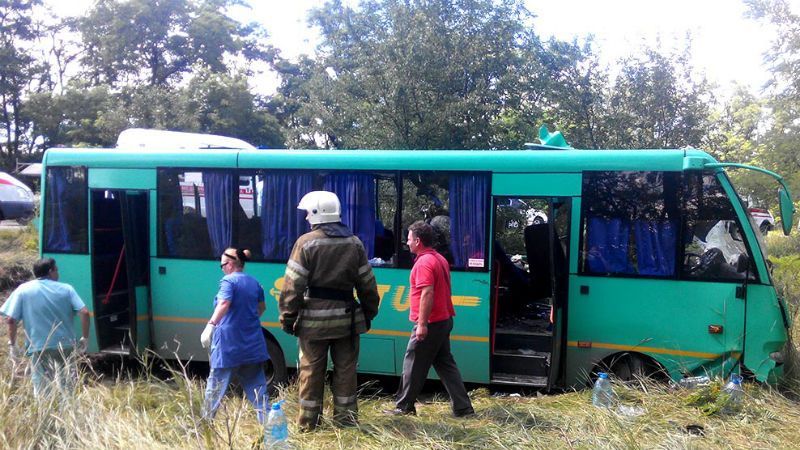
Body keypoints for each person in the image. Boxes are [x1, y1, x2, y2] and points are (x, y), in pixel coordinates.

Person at [279, 190, 380, 430]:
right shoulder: (354, 243)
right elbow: (367, 284)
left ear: (317, 213)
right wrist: (368, 313)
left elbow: (293, 286)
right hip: (346, 323)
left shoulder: (306, 243)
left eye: (307, 213)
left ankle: (307, 424)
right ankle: (346, 422)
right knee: (346, 372)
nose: (306, 218)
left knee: (311, 373)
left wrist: (287, 317)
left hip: (313, 324)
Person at [386, 221, 475, 417]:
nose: (406, 243)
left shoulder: (424, 263)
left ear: (418, 241)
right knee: (445, 364)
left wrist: (422, 324)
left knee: (413, 363)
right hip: (444, 320)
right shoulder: (439, 259)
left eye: (408, 239)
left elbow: (427, 293)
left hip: (431, 323)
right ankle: (463, 408)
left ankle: (404, 408)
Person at [1, 258, 89, 397]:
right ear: (50, 271)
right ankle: (66, 415)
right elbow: (84, 312)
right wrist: (84, 337)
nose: (58, 273)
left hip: (38, 347)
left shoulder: (23, 290)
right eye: (57, 270)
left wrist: (12, 344)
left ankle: (45, 415)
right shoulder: (66, 288)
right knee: (67, 386)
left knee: (42, 388)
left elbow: (11, 320)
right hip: (66, 345)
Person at [200, 247, 270, 423]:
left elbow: (224, 303)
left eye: (222, 265)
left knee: (215, 388)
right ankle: (271, 428)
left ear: (230, 264)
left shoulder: (228, 282)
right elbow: (262, 308)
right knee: (258, 390)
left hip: (229, 346)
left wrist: (210, 325)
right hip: (252, 345)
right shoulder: (254, 282)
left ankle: (204, 427)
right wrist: (246, 321)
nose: (222, 268)